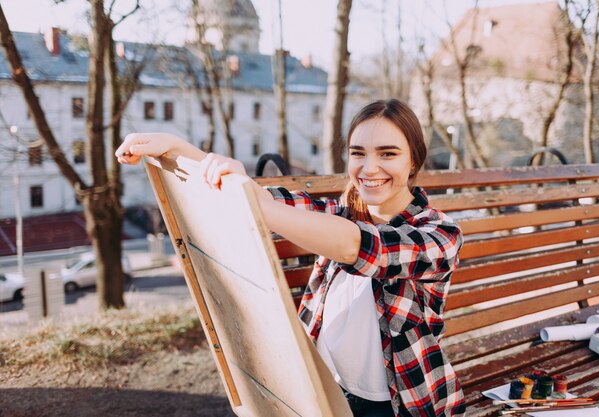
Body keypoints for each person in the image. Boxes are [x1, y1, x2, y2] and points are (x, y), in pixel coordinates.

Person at [116, 99, 466, 417]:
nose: (369, 167)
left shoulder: (439, 234)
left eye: (388, 154)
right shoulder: (338, 212)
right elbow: (267, 200)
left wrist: (258, 206)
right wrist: (178, 147)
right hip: (326, 390)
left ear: (414, 161)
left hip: (401, 401)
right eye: (358, 153)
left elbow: (358, 248)